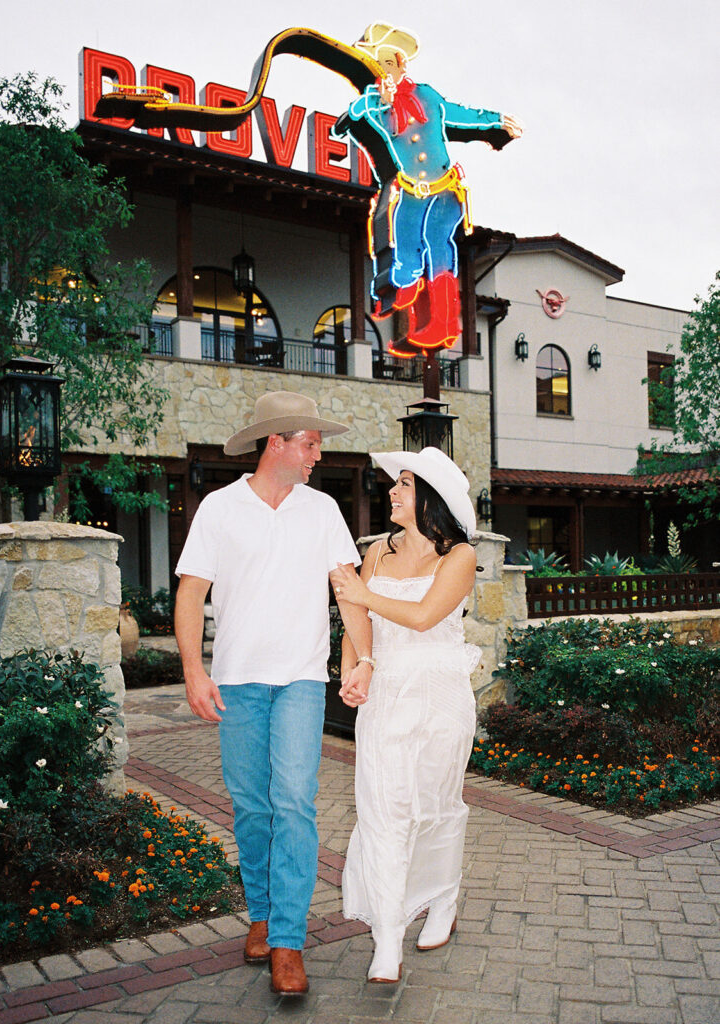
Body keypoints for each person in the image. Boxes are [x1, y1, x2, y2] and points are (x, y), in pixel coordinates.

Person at [174, 390, 373, 997]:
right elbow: (190, 594)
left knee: (293, 803)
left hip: (302, 681)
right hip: (237, 680)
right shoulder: (219, 508)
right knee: (251, 807)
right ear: (276, 442)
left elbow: (348, 590)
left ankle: (288, 940)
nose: (317, 455)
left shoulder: (323, 510)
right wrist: (193, 671)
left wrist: (364, 659)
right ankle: (260, 914)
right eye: (309, 444)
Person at [330, 446, 480, 983]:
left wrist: (361, 594)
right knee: (384, 810)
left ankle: (443, 901)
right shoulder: (376, 552)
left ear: (430, 498)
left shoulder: (459, 556)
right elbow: (357, 620)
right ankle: (388, 936)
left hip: (440, 694)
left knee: (437, 806)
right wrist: (355, 666)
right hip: (387, 693)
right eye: (395, 483)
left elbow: (421, 617)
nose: (392, 491)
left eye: (404, 484)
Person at [334, 22, 522, 355]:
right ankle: (403, 292)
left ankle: (442, 322)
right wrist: (377, 103)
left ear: (401, 64)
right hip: (409, 192)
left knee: (438, 244)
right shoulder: (375, 103)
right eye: (379, 65)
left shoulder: (427, 95)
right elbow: (354, 115)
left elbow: (462, 114)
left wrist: (495, 120)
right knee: (405, 246)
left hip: (445, 189)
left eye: (388, 63)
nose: (385, 72)